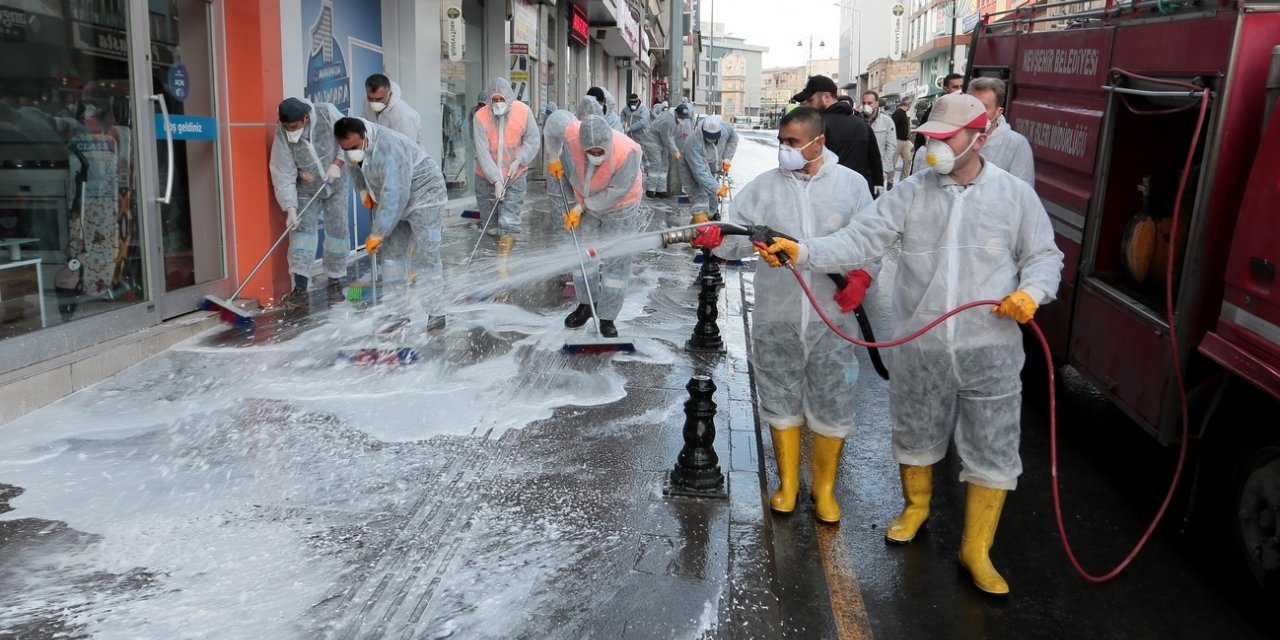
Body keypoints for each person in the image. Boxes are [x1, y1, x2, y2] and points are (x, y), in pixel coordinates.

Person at [755, 93, 1064, 595]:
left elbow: (1044, 256)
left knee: (992, 445)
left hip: (990, 347)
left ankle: (976, 548)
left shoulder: (1014, 197)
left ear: (980, 138)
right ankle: (915, 508)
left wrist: (1032, 292)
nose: (934, 148)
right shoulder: (914, 192)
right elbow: (861, 239)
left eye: (947, 139)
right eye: (931, 138)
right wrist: (806, 251)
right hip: (921, 345)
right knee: (916, 430)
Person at [689, 106, 875, 523]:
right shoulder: (764, 189)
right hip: (778, 312)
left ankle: (824, 490)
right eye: (781, 142)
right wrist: (714, 237)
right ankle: (788, 484)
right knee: (780, 397)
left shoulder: (851, 187)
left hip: (834, 316)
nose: (784, 151)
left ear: (818, 142)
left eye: (792, 143)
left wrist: (862, 278)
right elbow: (735, 239)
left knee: (833, 401)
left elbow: (871, 242)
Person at [334, 117, 449, 331]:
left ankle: (436, 312)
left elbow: (396, 194)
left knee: (426, 255)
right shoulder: (351, 146)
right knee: (392, 258)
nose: (351, 152)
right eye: (346, 148)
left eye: (355, 147)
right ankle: (398, 313)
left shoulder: (389, 147)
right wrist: (363, 191)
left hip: (425, 194)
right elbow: (354, 168)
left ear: (365, 137)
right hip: (396, 198)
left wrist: (378, 233)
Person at [558, 115, 644, 339]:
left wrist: (582, 207)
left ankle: (607, 317)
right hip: (584, 202)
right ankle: (586, 305)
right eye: (591, 152)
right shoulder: (570, 143)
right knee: (582, 257)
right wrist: (568, 206)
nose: (596, 156)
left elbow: (617, 191)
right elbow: (566, 177)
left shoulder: (628, 152)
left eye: (600, 152)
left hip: (621, 205)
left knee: (617, 261)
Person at [269, 97, 350, 307]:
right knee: (302, 234)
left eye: (293, 126)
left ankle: (334, 281)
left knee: (337, 232)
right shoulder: (283, 134)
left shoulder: (326, 113)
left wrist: (338, 163)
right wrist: (290, 208)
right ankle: (301, 287)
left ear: (306, 118)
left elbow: (349, 137)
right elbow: (282, 171)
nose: (289, 130)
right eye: (285, 126)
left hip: (337, 182)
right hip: (307, 186)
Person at [66, 84, 132, 300]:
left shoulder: (109, 135)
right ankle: (101, 284)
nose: (86, 119)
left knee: (91, 240)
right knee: (98, 241)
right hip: (97, 198)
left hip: (96, 198)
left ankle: (99, 284)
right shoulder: (115, 135)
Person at [472, 77, 541, 252]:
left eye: (501, 99)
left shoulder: (523, 112)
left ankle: (504, 264)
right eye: (494, 99)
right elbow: (482, 152)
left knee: (509, 222)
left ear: (509, 98)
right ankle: (496, 257)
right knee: (491, 226)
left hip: (515, 176)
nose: (497, 103)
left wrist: (520, 160)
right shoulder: (480, 117)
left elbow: (533, 140)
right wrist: (495, 180)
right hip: (485, 177)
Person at [794, 75, 883, 195]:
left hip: (825, 197)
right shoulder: (863, 125)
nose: (807, 106)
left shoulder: (815, 128)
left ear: (826, 97)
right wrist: (878, 184)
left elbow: (803, 168)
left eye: (811, 101)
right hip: (858, 197)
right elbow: (875, 160)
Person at [967, 77, 1035, 188]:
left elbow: (1022, 193)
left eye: (983, 107)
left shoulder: (1016, 144)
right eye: (971, 105)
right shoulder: (955, 137)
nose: (975, 112)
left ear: (999, 112)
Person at [676, 115, 738, 223]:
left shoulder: (725, 129)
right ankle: (698, 227)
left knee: (713, 197)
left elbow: (734, 137)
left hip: (713, 167)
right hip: (692, 170)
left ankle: (712, 217)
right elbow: (700, 172)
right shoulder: (693, 142)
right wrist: (716, 188)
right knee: (701, 199)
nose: (712, 140)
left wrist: (727, 157)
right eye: (709, 136)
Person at [642, 100, 687, 198]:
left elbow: (670, 136)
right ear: (676, 113)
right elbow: (667, 138)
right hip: (652, 141)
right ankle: (650, 190)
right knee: (656, 163)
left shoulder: (673, 118)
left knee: (664, 164)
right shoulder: (668, 120)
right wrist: (675, 151)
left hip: (660, 142)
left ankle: (660, 190)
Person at [364, 74, 423, 147]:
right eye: (370, 98)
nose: (374, 103)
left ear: (389, 94)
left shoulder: (403, 116)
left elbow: (407, 150)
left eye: (379, 99)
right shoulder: (367, 101)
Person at [914, 72, 964, 152]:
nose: (959, 90)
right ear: (946, 89)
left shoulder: (964, 105)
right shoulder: (938, 106)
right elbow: (927, 131)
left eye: (961, 87)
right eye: (955, 87)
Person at [862, 91, 899, 191]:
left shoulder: (887, 122)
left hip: (878, 169)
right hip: (861, 168)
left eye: (869, 103)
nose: (866, 106)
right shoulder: (858, 120)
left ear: (877, 104)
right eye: (864, 103)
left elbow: (891, 146)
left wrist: (884, 170)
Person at [892, 98, 914, 183]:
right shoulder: (898, 113)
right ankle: (890, 181)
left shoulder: (904, 113)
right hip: (898, 140)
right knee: (893, 161)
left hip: (905, 141)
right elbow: (893, 126)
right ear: (908, 104)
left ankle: (903, 179)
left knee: (908, 160)